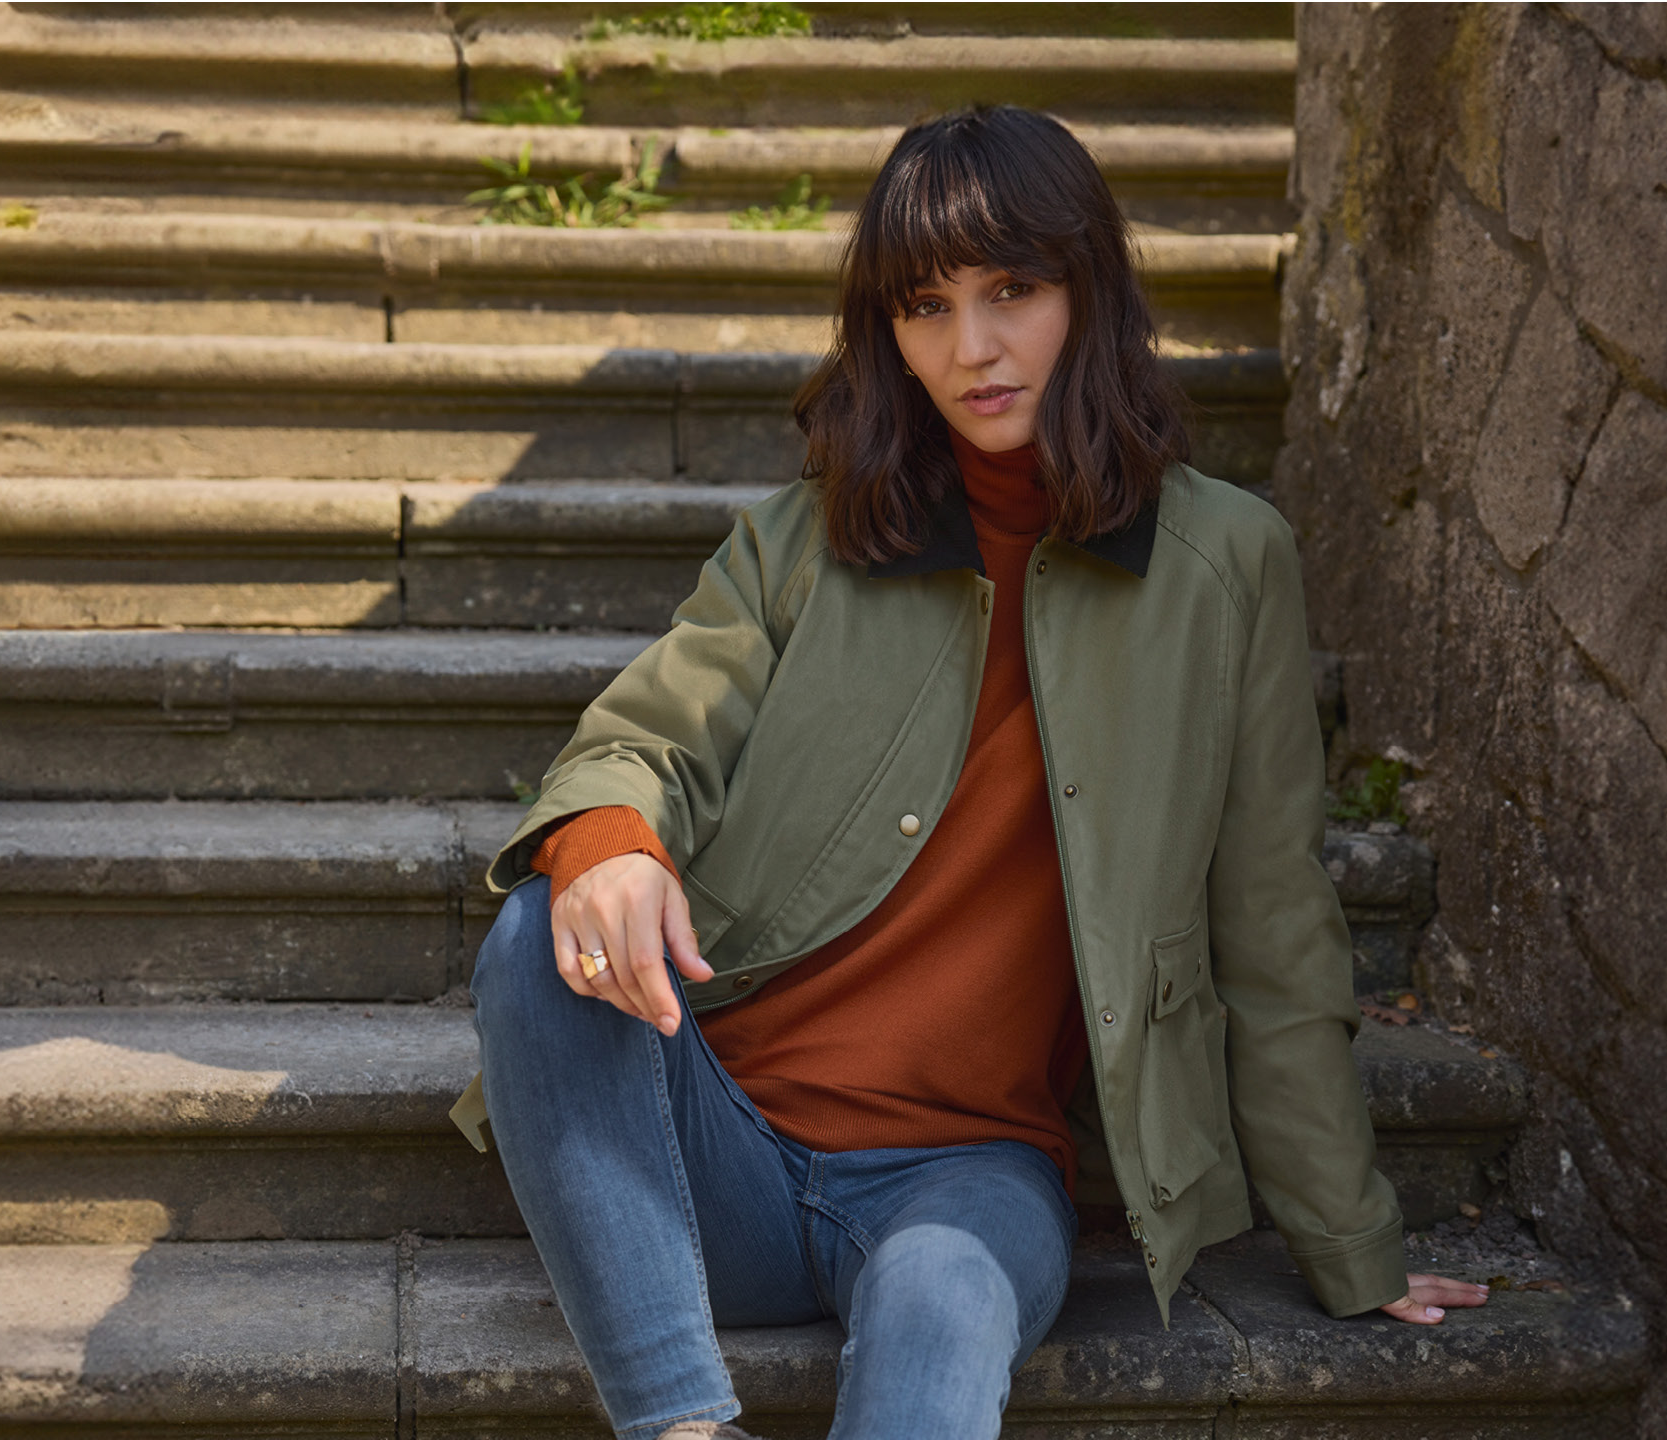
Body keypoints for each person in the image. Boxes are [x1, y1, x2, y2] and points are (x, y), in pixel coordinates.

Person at [451, 105, 1487, 1440]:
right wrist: (607, 841)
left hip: (971, 1178)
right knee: (544, 924)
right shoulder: (803, 544)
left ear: (1091, 292)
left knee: (944, 1290)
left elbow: (1275, 928)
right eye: (925, 306)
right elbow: (649, 734)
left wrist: (1354, 1246)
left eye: (1014, 291)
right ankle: (680, 1428)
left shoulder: (1228, 566)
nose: (972, 348)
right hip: (716, 1159)